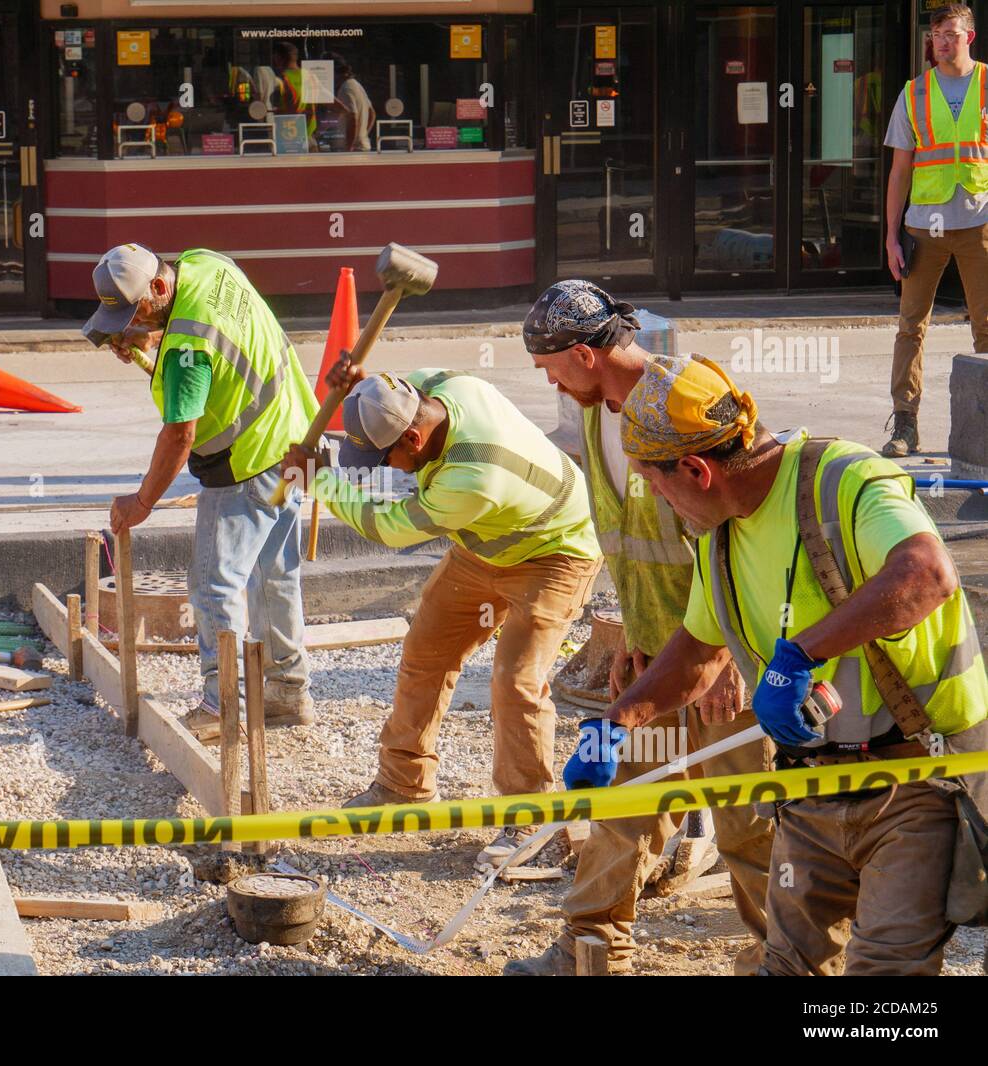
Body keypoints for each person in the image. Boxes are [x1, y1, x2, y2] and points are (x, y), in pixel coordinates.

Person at [552, 354, 988, 975]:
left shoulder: (843, 481)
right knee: (791, 969)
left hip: (916, 778)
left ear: (697, 469)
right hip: (809, 786)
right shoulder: (720, 534)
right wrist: (618, 721)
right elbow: (696, 654)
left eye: (657, 484)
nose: (660, 503)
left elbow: (926, 572)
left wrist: (799, 656)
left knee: (886, 980)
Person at [504, 281, 774, 977]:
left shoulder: (687, 402)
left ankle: (790, 963)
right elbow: (633, 538)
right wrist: (630, 632)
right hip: (657, 659)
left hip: (723, 663)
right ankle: (589, 948)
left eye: (551, 367)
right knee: (624, 810)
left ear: (585, 355)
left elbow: (748, 528)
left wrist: (730, 658)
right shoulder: (599, 416)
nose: (549, 381)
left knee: (751, 833)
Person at [282, 359, 602, 869]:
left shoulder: (473, 478)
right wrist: (364, 388)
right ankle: (402, 786)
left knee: (516, 681)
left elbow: (386, 527)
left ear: (412, 439)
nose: (382, 469)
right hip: (484, 546)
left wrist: (320, 483)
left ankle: (532, 819)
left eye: (384, 457)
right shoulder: (439, 383)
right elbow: (394, 388)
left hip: (554, 553)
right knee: (426, 653)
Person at [82, 243, 319, 738]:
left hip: (247, 464)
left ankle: (220, 707)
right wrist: (152, 354)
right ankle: (287, 691)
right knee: (274, 574)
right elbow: (222, 363)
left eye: (136, 312)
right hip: (294, 440)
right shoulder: (206, 263)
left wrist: (142, 500)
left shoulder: (185, 352)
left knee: (214, 584)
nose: (132, 325)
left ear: (160, 287)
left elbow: (180, 433)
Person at [882, 3, 988, 457]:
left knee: (986, 328)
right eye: (936, 34)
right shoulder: (914, 93)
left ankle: (983, 427)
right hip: (924, 226)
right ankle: (905, 425)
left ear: (970, 36)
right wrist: (890, 236)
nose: (941, 42)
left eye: (950, 33)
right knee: (911, 327)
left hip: (979, 222)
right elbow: (900, 170)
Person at [333, 58, 374, 151]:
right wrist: (362, 135)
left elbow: (352, 118)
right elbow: (372, 113)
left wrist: (349, 147)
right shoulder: (356, 84)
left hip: (353, 150)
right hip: (361, 147)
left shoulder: (345, 88)